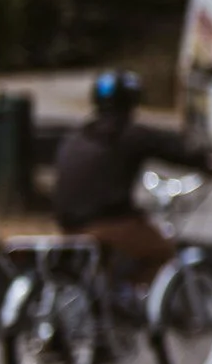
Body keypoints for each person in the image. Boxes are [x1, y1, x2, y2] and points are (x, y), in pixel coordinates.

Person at [53, 70, 191, 285]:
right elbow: (177, 151)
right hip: (110, 221)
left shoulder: (77, 136)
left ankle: (109, 298)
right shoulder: (129, 135)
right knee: (163, 252)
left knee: (106, 260)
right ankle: (132, 295)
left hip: (69, 224)